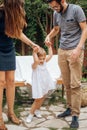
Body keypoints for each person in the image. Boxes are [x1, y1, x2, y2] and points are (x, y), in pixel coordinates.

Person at [45, 0, 87, 128]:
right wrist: (49, 36)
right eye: (52, 7)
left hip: (75, 50)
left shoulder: (76, 10)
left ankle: (75, 115)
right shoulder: (56, 13)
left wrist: (79, 48)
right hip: (62, 50)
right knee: (67, 83)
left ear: (63, 1)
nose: (55, 9)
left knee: (75, 84)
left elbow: (85, 29)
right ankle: (69, 108)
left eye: (56, 6)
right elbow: (56, 29)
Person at [0, 0, 39, 130]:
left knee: (11, 81)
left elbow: (18, 32)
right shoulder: (0, 13)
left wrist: (32, 44)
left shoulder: (14, 13)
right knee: (1, 82)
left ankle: (11, 112)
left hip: (9, 49)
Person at [25, 46, 55, 123]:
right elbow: (36, 60)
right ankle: (30, 114)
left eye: (43, 58)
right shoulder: (35, 65)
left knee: (43, 97)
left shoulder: (44, 62)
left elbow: (51, 55)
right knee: (37, 99)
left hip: (45, 83)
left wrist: (49, 47)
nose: (42, 60)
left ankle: (37, 110)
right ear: (36, 58)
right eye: (40, 59)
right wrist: (34, 52)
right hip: (38, 84)